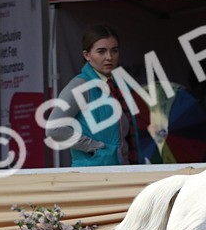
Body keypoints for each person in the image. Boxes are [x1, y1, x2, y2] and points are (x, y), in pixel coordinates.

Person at [47, 25, 141, 167]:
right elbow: (54, 129)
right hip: (92, 174)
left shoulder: (117, 87)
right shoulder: (80, 85)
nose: (109, 57)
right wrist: (96, 148)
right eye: (101, 51)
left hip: (120, 171)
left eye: (114, 51)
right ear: (87, 55)